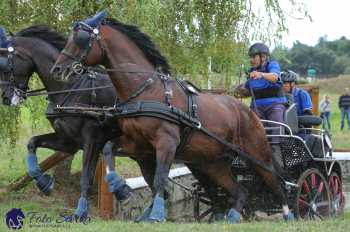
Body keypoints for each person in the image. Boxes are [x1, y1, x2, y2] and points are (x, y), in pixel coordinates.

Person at [240, 42, 287, 170]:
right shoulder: (251, 73)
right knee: (252, 137)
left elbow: (274, 77)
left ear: (263, 57)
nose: (251, 60)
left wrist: (260, 74)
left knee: (274, 136)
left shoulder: (272, 65)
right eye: (250, 57)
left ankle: (279, 167)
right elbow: (247, 91)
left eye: (254, 57)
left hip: (275, 106)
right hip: (256, 107)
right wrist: (239, 91)